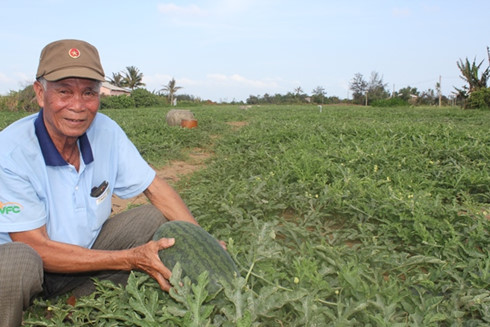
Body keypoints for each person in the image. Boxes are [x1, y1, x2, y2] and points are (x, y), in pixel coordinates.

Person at [0, 39, 200, 326]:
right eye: (64, 92)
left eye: (89, 92)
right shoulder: (9, 152)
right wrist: (129, 258)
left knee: (155, 217)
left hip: (84, 257)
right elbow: (38, 248)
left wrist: (201, 241)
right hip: (31, 268)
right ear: (40, 94)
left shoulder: (106, 131)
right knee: (17, 260)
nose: (78, 106)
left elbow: (155, 188)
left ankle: (72, 306)